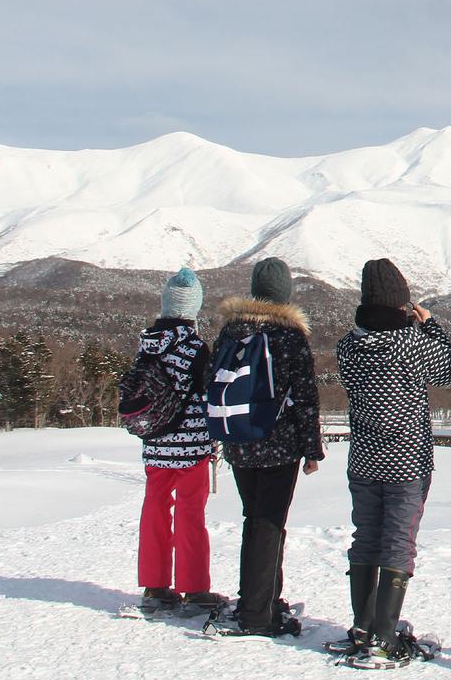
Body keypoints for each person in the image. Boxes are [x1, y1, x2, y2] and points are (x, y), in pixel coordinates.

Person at [325, 258, 451, 668]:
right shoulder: (410, 341)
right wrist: (429, 325)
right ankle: (384, 638)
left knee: (366, 536)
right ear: (402, 302)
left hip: (364, 459)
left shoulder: (349, 345)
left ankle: (363, 626)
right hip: (407, 461)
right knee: (397, 542)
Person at [204, 257, 325, 640]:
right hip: (279, 443)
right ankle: (258, 613)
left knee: (254, 518)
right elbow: (305, 396)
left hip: (238, 438)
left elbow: (212, 381)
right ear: (285, 294)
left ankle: (261, 598)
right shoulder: (289, 336)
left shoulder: (231, 331)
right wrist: (312, 449)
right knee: (269, 523)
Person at [135, 267, 224, 614]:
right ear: (194, 308)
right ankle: (194, 587)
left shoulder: (148, 346)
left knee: (155, 508)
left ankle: (154, 587)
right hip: (190, 445)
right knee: (190, 512)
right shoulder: (195, 347)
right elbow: (208, 393)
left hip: (155, 440)